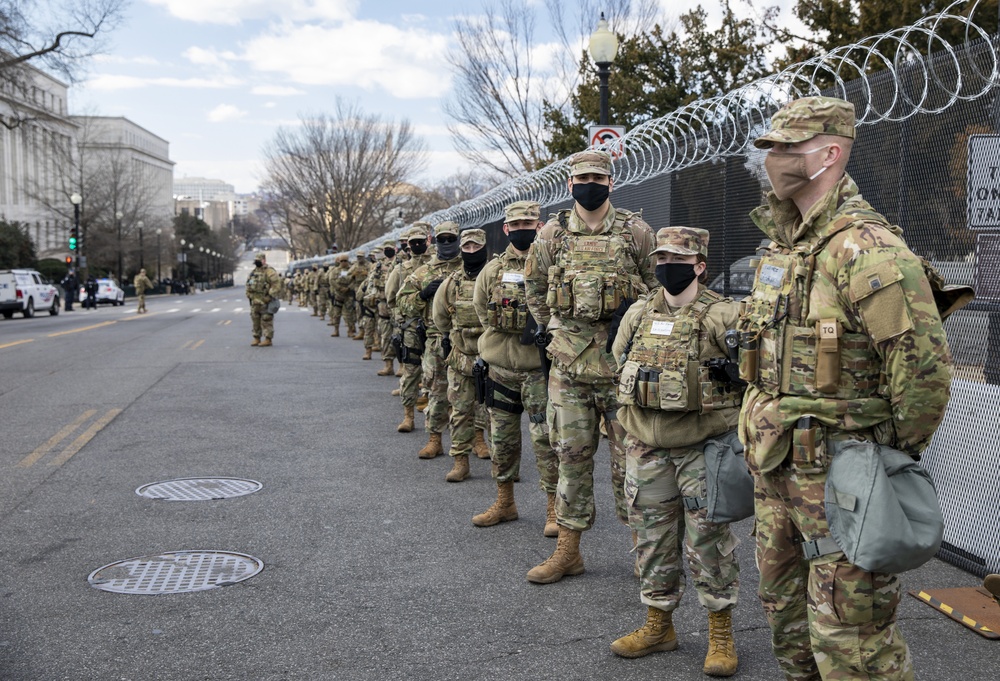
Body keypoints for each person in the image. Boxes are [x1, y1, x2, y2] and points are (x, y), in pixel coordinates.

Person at [740, 96, 954, 681]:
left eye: (787, 148)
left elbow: (925, 375)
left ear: (830, 153)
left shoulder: (867, 251)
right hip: (777, 471)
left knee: (854, 643)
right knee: (788, 624)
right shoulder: (784, 247)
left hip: (843, 480)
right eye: (771, 149)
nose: (774, 160)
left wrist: (879, 452)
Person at [610, 227, 743, 676]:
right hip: (645, 444)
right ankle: (658, 624)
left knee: (708, 541)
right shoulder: (639, 313)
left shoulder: (723, 315)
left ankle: (720, 632)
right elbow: (619, 359)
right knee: (651, 538)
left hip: (702, 445)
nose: (667, 264)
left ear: (699, 265)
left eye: (678, 258)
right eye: (661, 256)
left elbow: (753, 375)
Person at [523, 149, 658, 584]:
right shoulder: (551, 235)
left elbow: (659, 289)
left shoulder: (636, 232)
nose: (590, 183)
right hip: (570, 368)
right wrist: (554, 331)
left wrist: (636, 325)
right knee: (571, 460)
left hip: (623, 371)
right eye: (582, 177)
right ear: (569, 185)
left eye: (598, 176)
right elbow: (535, 286)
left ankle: (643, 554)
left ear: (611, 183)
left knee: (633, 465)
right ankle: (568, 551)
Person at [472, 200, 559, 534]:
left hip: (538, 369)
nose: (523, 229)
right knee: (503, 438)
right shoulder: (493, 270)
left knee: (546, 439)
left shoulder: (552, 264)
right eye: (516, 225)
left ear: (539, 227)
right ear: (506, 229)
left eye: (529, 224)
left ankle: (553, 509)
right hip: (501, 370)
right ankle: (505, 502)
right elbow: (482, 308)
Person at [397, 221, 464, 458]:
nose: (446, 244)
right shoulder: (423, 272)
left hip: (467, 340)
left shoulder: (471, 266)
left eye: (451, 239)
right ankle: (435, 439)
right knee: (437, 391)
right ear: (434, 241)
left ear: (458, 239)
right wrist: (423, 295)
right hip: (436, 339)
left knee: (473, 395)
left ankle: (477, 438)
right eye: (442, 240)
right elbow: (402, 302)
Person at [432, 228, 492, 482]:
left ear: (484, 248)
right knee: (460, 410)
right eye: (466, 248)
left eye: (475, 247)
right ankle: (460, 461)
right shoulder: (451, 283)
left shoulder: (495, 277)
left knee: (496, 414)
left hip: (492, 355)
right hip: (461, 356)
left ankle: (502, 463)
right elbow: (440, 319)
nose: (470, 252)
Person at [388, 224, 433, 422]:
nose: (416, 245)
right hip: (411, 327)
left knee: (436, 371)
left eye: (420, 242)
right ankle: (408, 416)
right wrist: (401, 316)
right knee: (411, 370)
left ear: (428, 241)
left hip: (434, 326)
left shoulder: (437, 264)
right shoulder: (401, 269)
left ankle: (433, 406)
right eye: (412, 243)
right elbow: (391, 297)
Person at [365, 239, 399, 375]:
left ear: (395, 249)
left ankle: (402, 365)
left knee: (399, 336)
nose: (388, 251)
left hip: (396, 305)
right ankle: (388, 364)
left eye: (390, 248)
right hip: (383, 304)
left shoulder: (401, 264)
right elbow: (371, 282)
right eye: (386, 249)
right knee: (385, 335)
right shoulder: (378, 266)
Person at [245, 252, 282, 346]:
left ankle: (268, 339)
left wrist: (269, 296)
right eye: (256, 260)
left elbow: (277, 285)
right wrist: (249, 294)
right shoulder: (253, 272)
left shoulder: (269, 271)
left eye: (259, 260)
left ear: (263, 260)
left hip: (265, 301)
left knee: (266, 320)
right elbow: (248, 284)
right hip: (255, 301)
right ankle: (256, 338)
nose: (257, 262)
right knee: (255, 319)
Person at [328, 254, 355, 337]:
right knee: (337, 313)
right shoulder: (335, 270)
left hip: (348, 294)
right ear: (339, 262)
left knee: (349, 313)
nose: (343, 263)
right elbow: (331, 280)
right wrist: (339, 288)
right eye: (342, 261)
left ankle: (350, 330)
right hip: (338, 294)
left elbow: (355, 280)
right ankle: (336, 330)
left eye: (345, 261)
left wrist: (348, 288)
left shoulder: (351, 269)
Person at [349, 252, 370, 341]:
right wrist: (353, 274)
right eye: (358, 257)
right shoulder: (354, 266)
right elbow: (347, 276)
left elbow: (374, 274)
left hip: (367, 288)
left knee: (368, 311)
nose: (359, 258)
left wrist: (367, 273)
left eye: (361, 257)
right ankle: (361, 331)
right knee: (359, 310)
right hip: (358, 288)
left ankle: (369, 332)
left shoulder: (369, 265)